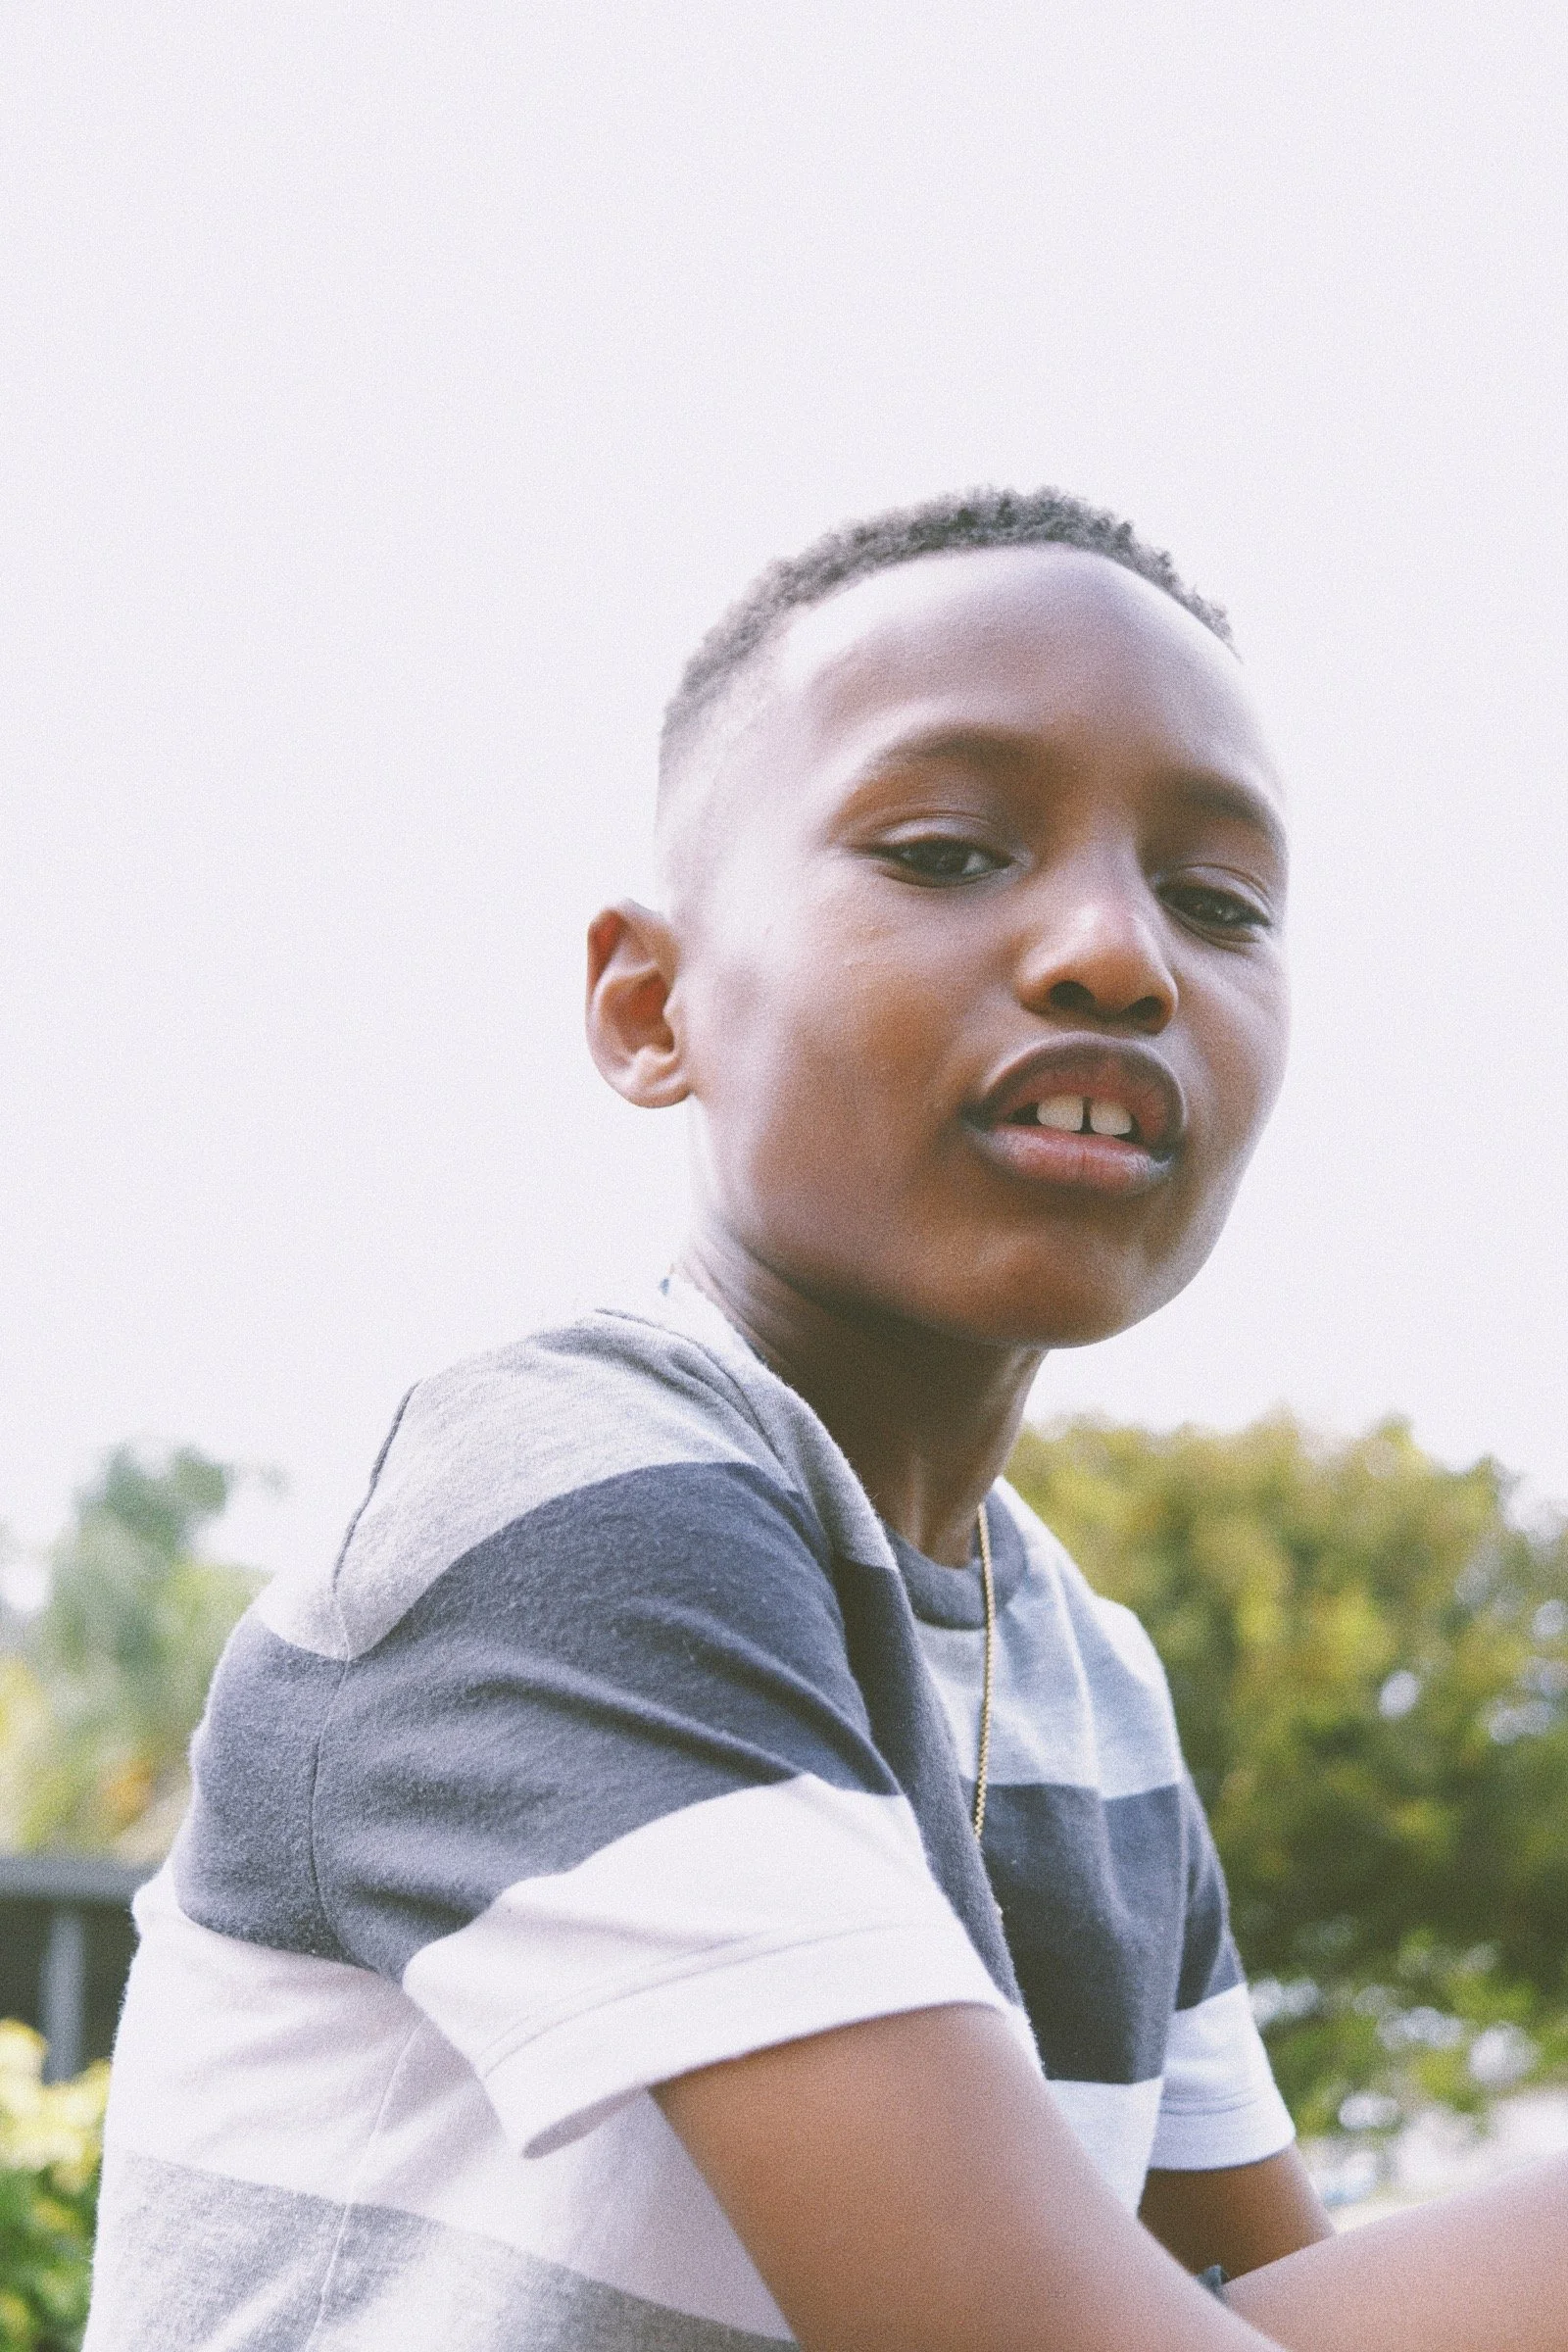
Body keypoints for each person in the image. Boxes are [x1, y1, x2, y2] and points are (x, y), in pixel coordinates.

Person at [84, 490, 1568, 2350]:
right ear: (652, 1006)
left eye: (1219, 903)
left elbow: (1263, 2311)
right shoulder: (567, 1509)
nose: (1119, 954)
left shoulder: (1089, 1684)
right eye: (948, 851)